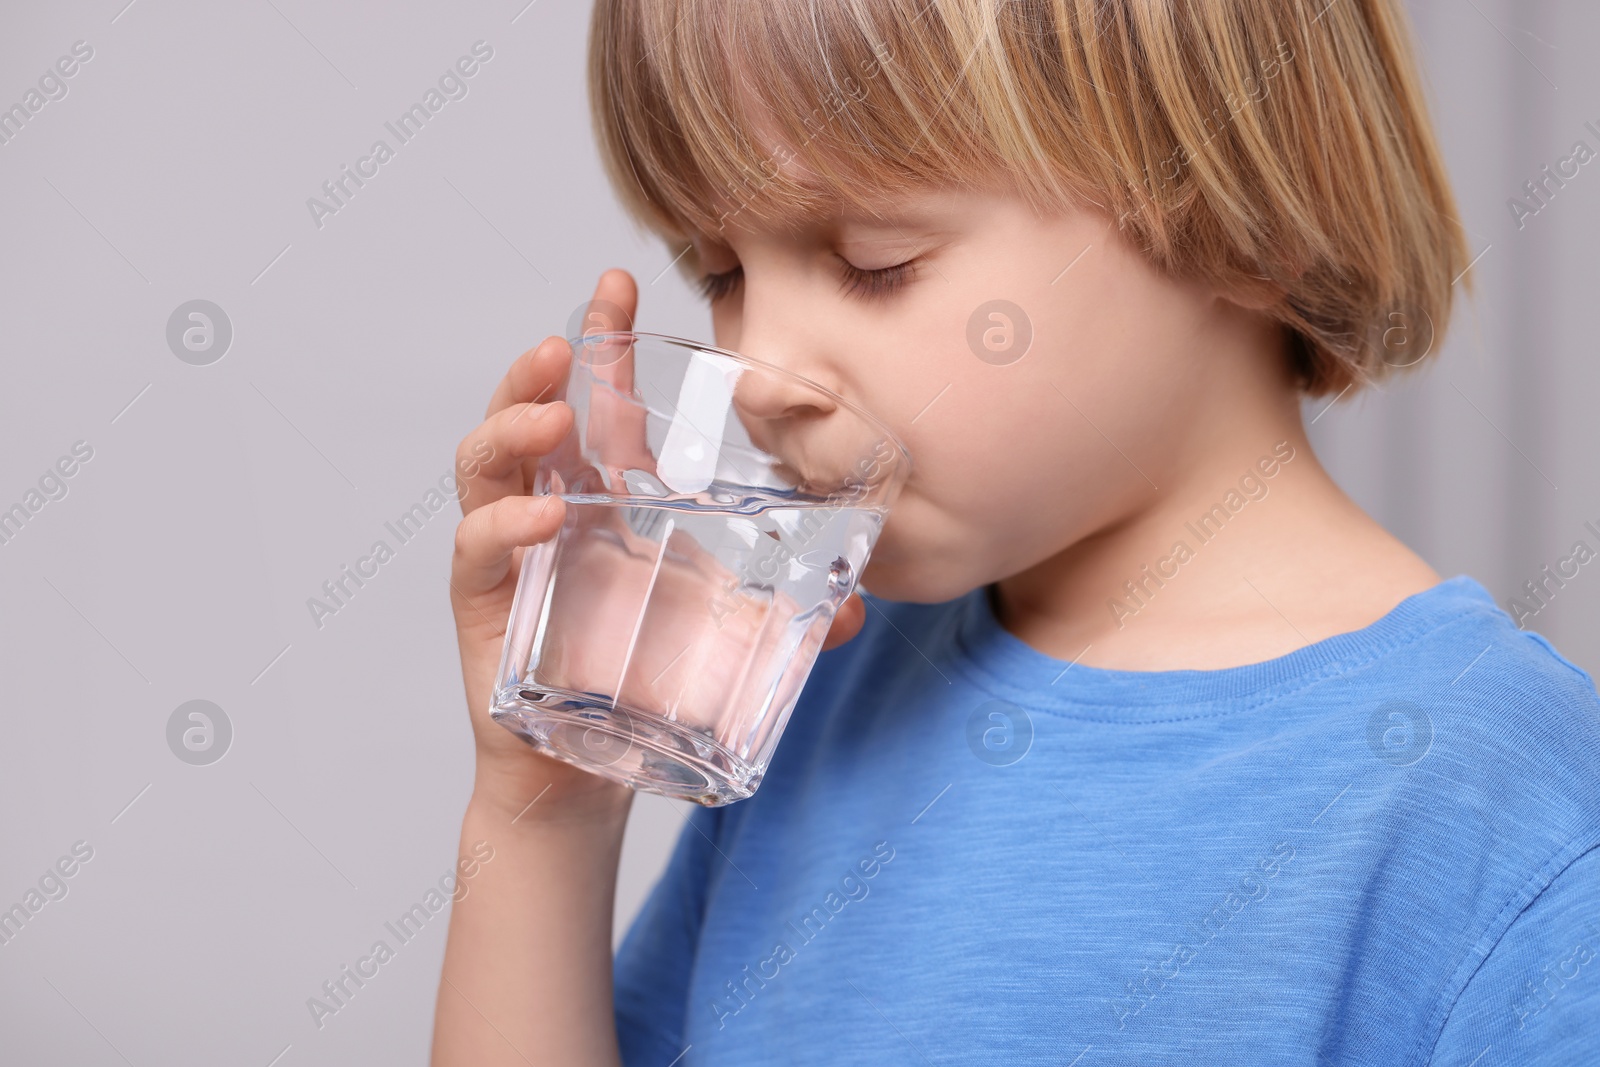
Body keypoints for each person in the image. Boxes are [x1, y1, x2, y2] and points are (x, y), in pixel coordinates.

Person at [431, 1, 1600, 1063]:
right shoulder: (830, 674)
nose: (757, 370)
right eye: (720, 269)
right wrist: (547, 806)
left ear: (1242, 223)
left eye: (873, 263)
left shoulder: (1494, 794)